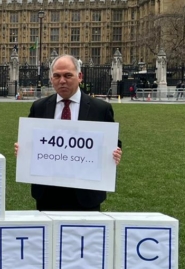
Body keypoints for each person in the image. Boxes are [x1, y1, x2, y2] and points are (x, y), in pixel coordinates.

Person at [14, 55, 123, 212]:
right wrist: (23, 149)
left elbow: (112, 143)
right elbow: (31, 142)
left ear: (80, 77)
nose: (62, 80)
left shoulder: (100, 109)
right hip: (48, 192)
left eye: (67, 75)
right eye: (57, 76)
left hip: (86, 193)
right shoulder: (39, 107)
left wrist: (115, 153)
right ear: (51, 79)